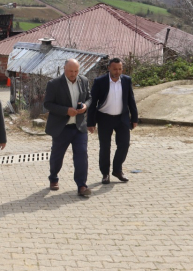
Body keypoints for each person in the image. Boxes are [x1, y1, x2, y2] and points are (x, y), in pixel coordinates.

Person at [43, 59, 92, 197]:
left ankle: (82, 185)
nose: (73, 74)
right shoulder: (54, 84)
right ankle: (53, 177)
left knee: (82, 155)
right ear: (64, 69)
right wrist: (66, 110)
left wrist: (86, 106)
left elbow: (89, 97)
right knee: (57, 156)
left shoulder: (84, 81)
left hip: (79, 127)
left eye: (76, 71)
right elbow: (48, 104)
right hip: (61, 127)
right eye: (71, 71)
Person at [87, 57, 139, 184]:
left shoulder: (126, 80)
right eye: (115, 69)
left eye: (120, 69)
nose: (117, 71)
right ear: (109, 68)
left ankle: (117, 170)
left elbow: (131, 100)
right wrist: (90, 122)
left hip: (122, 118)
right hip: (104, 118)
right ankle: (105, 174)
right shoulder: (100, 82)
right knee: (105, 147)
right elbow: (93, 103)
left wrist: (134, 118)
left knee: (124, 144)